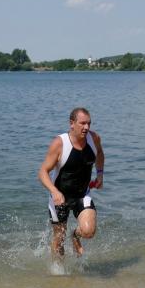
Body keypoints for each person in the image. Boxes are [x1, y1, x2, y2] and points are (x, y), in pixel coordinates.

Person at [38, 107, 104, 267]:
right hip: (60, 198)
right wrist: (54, 192)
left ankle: (75, 236)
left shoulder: (94, 138)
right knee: (59, 238)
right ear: (72, 123)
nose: (86, 127)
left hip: (82, 194)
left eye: (89, 123)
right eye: (82, 123)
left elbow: (100, 154)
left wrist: (100, 174)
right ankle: (59, 273)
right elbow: (42, 172)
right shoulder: (59, 143)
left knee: (89, 231)